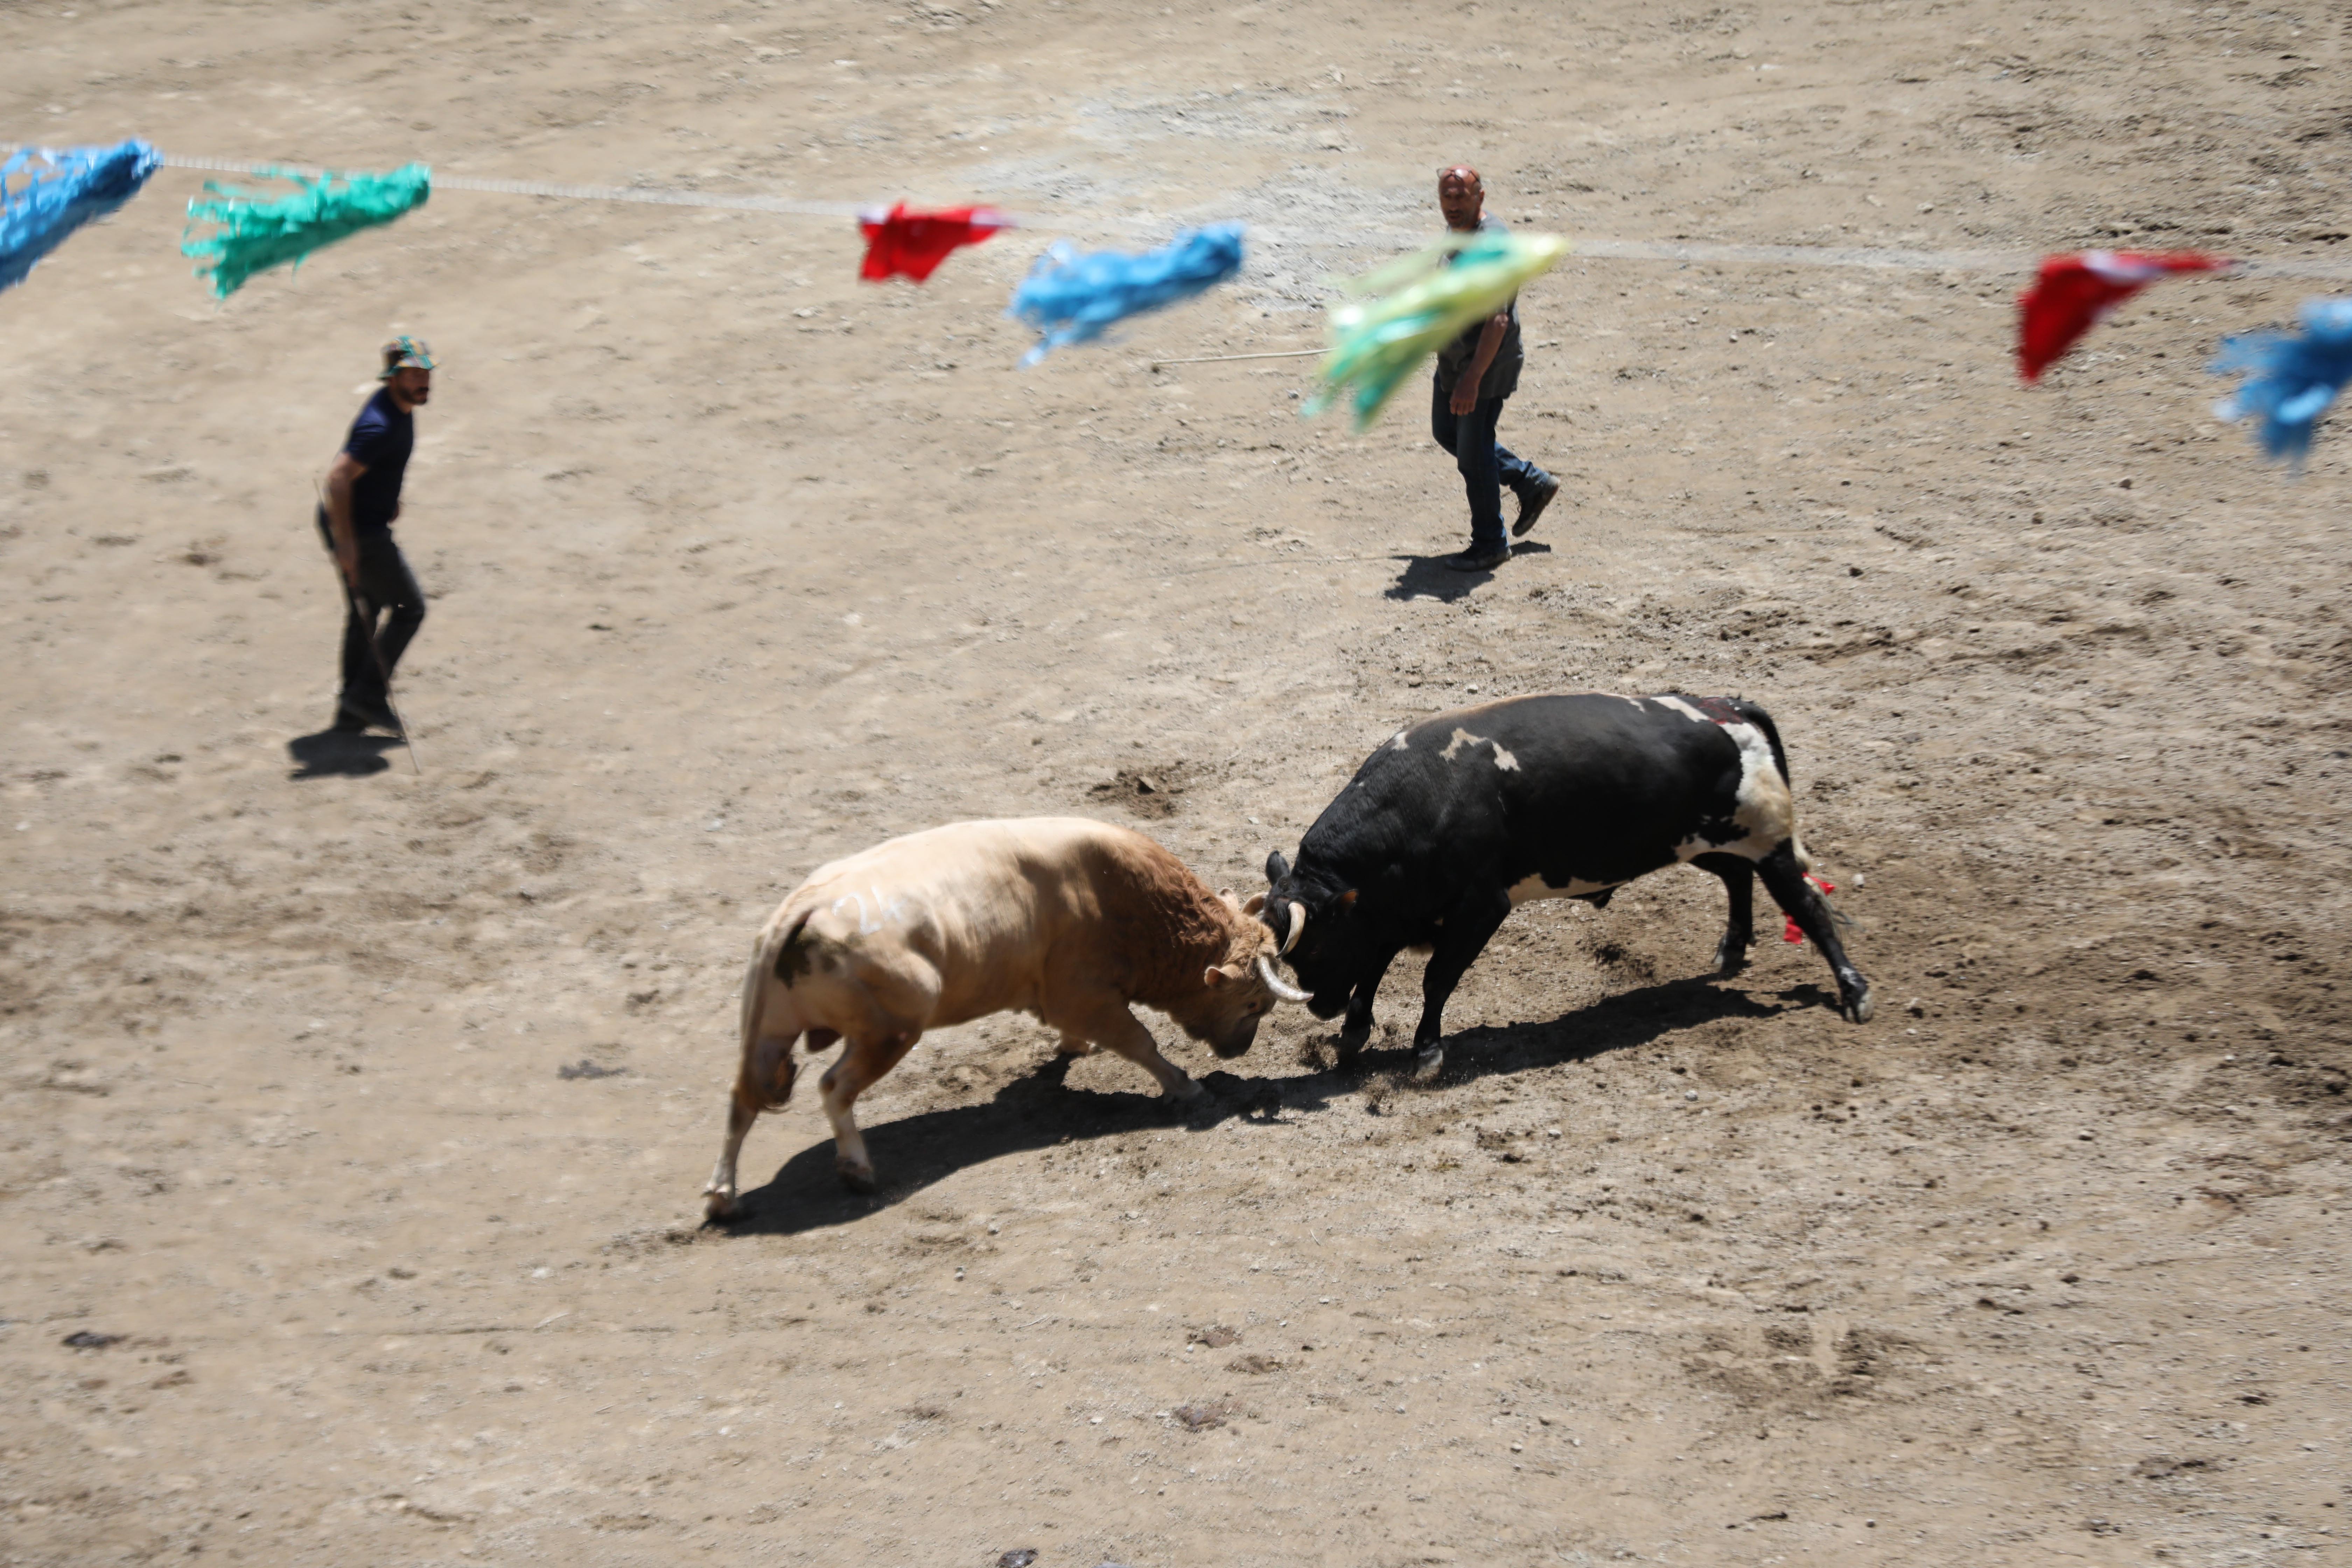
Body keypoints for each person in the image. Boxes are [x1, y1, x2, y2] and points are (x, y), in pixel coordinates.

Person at [1431, 165, 1559, 571]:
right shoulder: (1459, 230)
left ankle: (1490, 543)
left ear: (1480, 198)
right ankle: (1529, 481)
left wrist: (1472, 380)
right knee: (1447, 431)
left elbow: (1497, 321)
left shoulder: (1493, 245)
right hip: (1455, 360)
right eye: (1447, 197)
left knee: (1473, 456)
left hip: (1484, 365)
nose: (1453, 205)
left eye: (1461, 197)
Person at [318, 337, 433, 734]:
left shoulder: (400, 408)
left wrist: (389, 499)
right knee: (409, 609)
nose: (423, 381)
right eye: (413, 374)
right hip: (355, 527)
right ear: (393, 378)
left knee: (364, 610)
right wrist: (347, 543)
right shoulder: (380, 424)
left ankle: (352, 712)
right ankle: (366, 695)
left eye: (426, 372)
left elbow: (378, 470)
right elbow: (337, 477)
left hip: (362, 520)